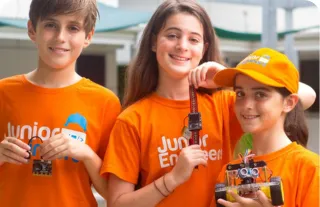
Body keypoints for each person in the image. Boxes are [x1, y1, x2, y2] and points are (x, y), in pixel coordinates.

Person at [101, 1, 316, 207]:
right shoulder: (132, 119)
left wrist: (228, 78)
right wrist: (172, 179)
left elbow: (303, 96)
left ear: (203, 49)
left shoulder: (224, 103)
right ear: (154, 42)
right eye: (172, 35)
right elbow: (117, 203)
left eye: (193, 40)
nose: (182, 46)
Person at [0, 0, 121, 206]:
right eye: (50, 25)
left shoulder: (105, 102)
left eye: (73, 28)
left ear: (88, 36)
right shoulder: (4, 92)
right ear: (32, 30)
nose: (60, 37)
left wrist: (86, 154)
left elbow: (116, 196)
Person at [211, 48, 319, 207]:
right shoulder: (228, 172)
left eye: (260, 94)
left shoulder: (310, 168)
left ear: (289, 103)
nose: (246, 105)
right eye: (240, 94)